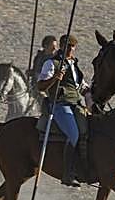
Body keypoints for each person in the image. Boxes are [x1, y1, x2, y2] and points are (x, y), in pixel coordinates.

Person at [36, 34, 87, 187]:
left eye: (72, 46)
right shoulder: (51, 63)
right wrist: (55, 78)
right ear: (61, 47)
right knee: (73, 134)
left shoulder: (74, 64)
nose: (69, 49)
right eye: (66, 46)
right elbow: (41, 86)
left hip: (76, 104)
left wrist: (92, 95)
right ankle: (67, 174)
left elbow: (81, 86)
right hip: (59, 105)